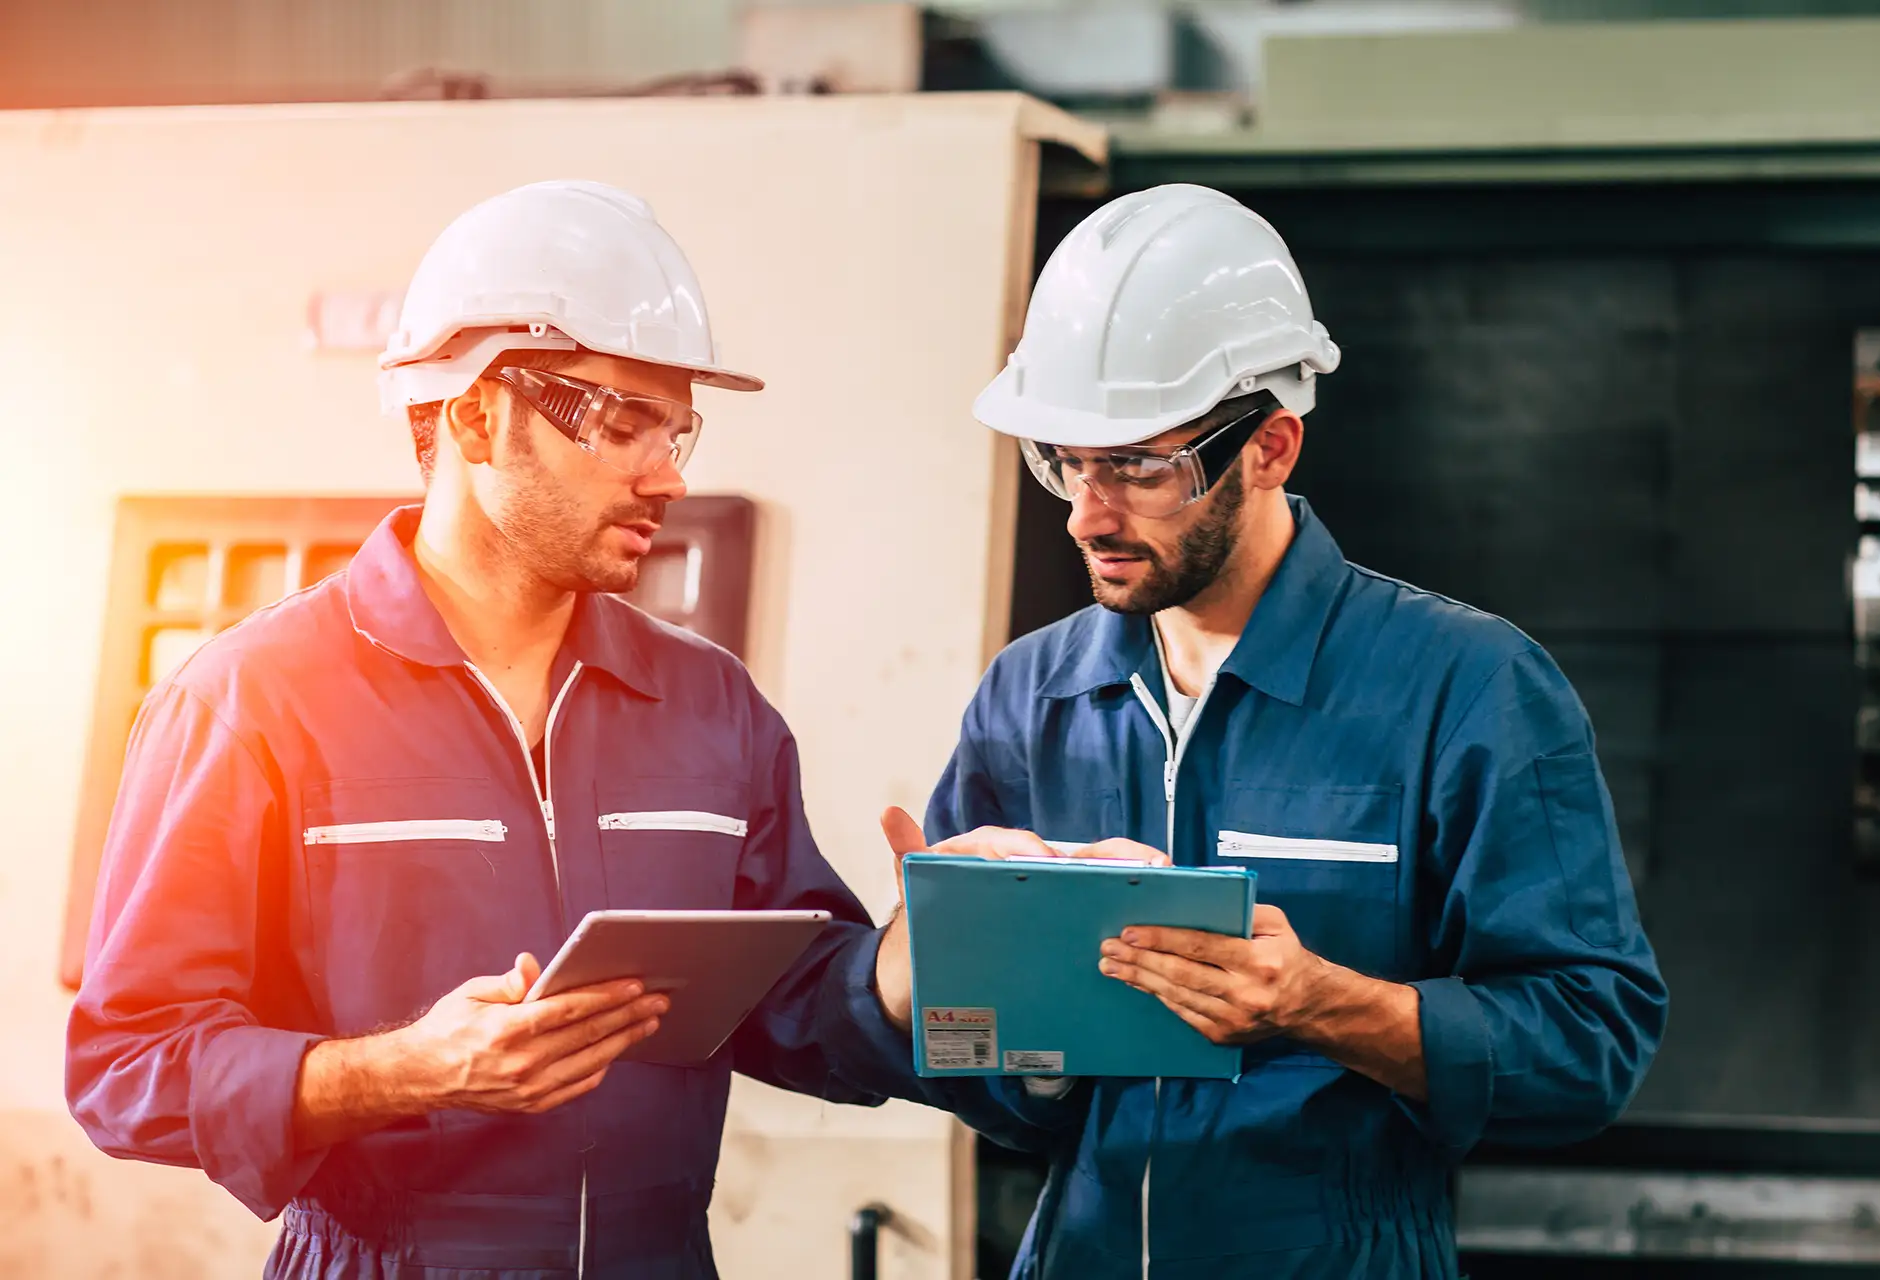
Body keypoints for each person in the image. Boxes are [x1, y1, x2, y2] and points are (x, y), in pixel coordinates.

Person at [65, 180, 941, 1278]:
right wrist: (405, 1069)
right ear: (477, 413)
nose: (670, 474)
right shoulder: (250, 701)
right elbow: (129, 1065)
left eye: (678, 428)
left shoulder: (714, 706)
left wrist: (907, 967)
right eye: (625, 422)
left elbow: (786, 999)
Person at [874, 184, 1669, 1278]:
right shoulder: (1032, 695)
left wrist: (1326, 1006)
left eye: (1141, 466)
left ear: (1273, 446)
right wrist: (958, 979)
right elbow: (1003, 1102)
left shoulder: (1466, 688)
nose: (1086, 513)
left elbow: (1592, 1040)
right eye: (1064, 459)